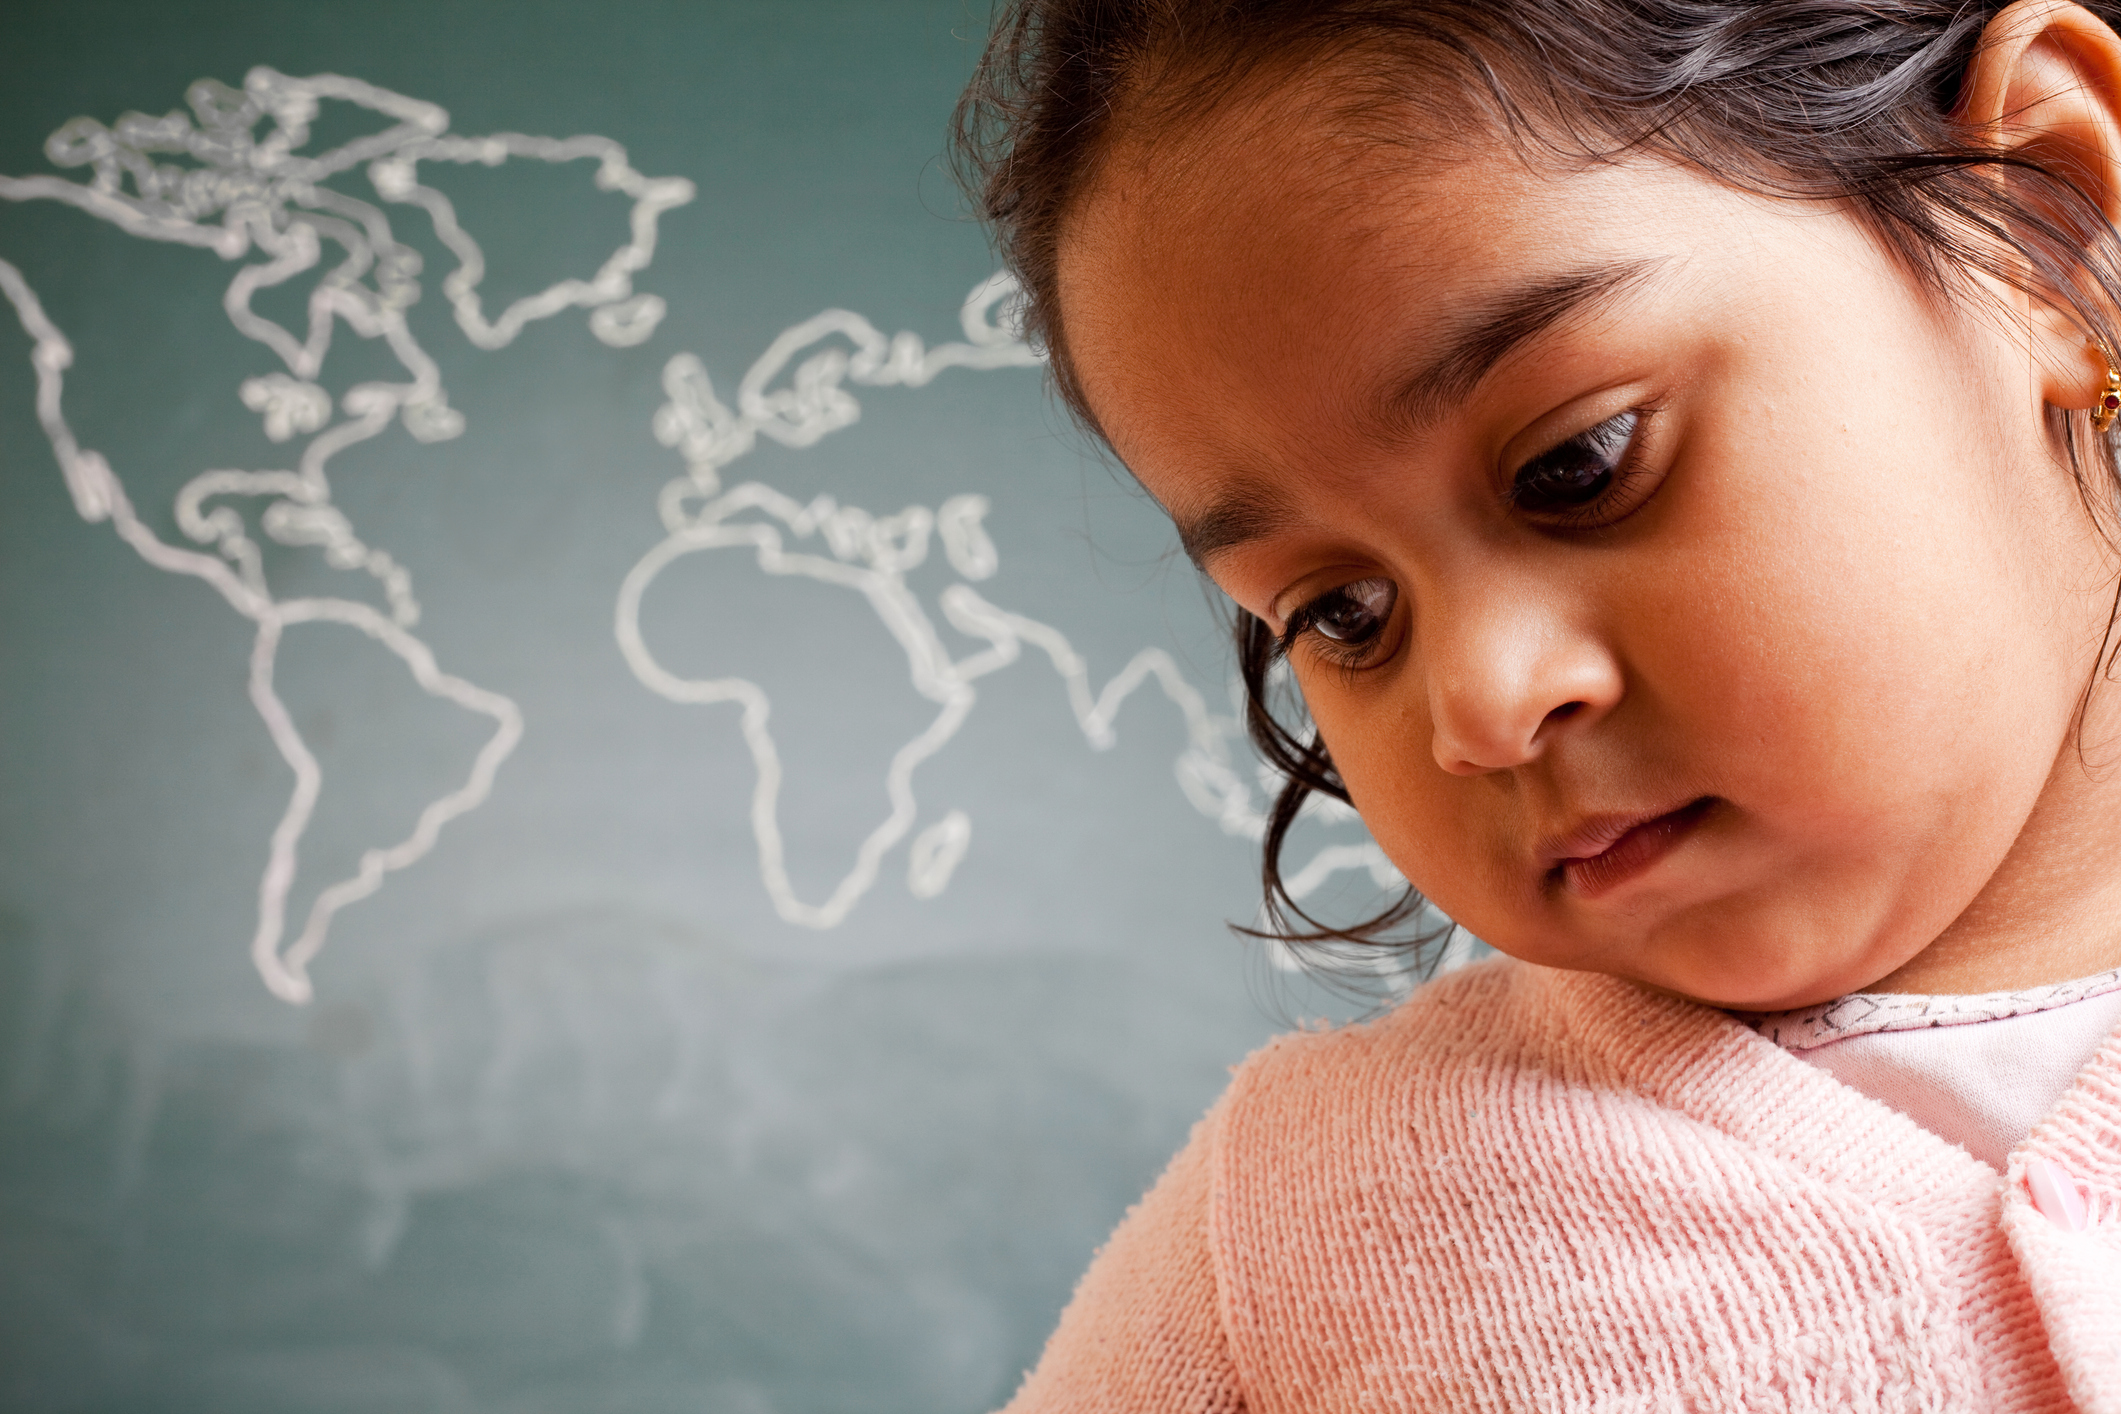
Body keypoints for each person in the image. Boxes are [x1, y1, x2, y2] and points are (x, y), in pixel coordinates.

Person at [953, 0, 2121, 1407]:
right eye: (1341, 612)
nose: (1479, 709)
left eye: (1577, 462)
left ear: (2040, 222)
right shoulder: (1293, 1249)